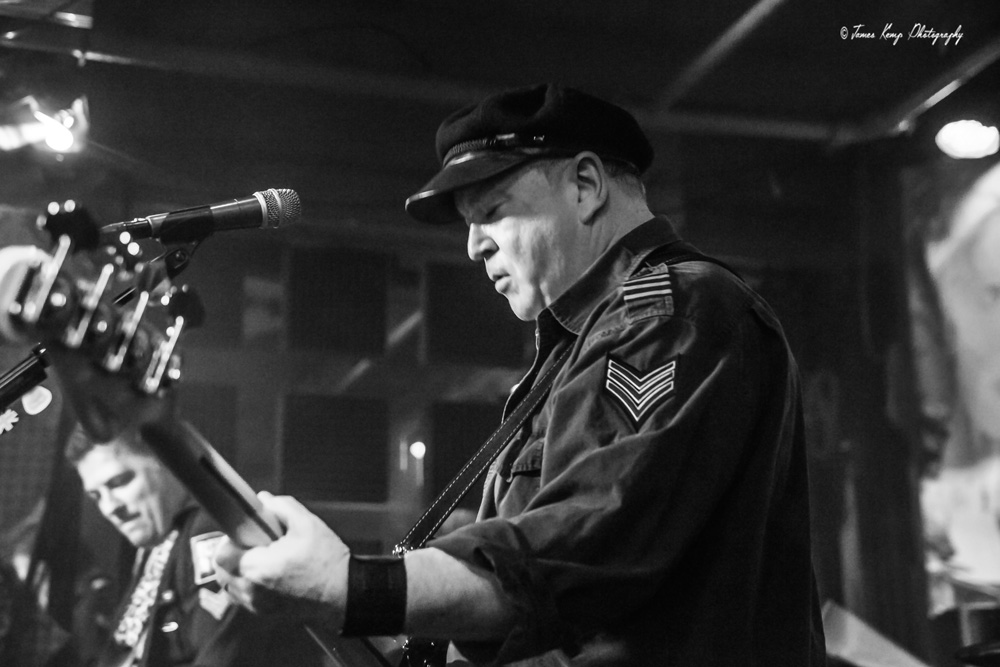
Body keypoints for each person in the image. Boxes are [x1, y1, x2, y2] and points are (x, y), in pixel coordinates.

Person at [214, 83, 827, 665]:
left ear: (585, 184)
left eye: (493, 210)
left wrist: (352, 587)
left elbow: (571, 550)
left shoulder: (669, 313)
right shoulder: (588, 341)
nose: (474, 245)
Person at [65, 424, 322, 667]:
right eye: (96, 496)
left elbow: (223, 655)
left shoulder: (209, 531)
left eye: (120, 482)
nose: (110, 508)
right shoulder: (154, 551)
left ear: (165, 464)